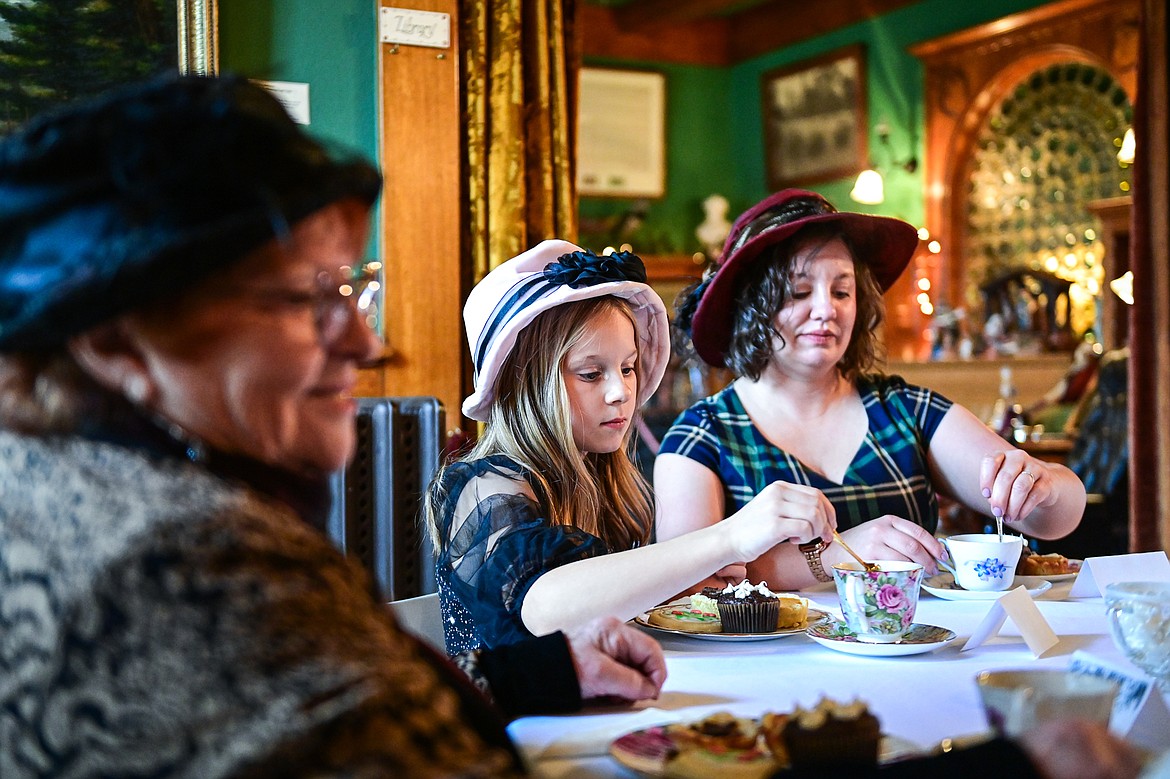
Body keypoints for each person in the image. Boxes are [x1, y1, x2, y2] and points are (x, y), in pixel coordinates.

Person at [0, 73, 667, 778]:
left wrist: (541, 671)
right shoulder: (184, 558)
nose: (362, 341)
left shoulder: (52, 480)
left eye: (351, 289)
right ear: (117, 342)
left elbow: (318, 700)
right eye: (305, 298)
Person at [656, 189, 1086, 590]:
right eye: (799, 291)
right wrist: (833, 557)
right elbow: (682, 582)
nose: (826, 309)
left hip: (917, 646)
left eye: (842, 291)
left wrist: (1043, 485)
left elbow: (1055, 519)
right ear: (749, 306)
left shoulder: (904, 411)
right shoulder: (702, 436)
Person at [425, 239, 835, 652]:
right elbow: (545, 608)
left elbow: (602, 603)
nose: (621, 391)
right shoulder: (484, 486)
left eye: (628, 368)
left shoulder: (601, 484)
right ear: (526, 383)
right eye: (590, 374)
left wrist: (673, 583)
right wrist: (727, 538)